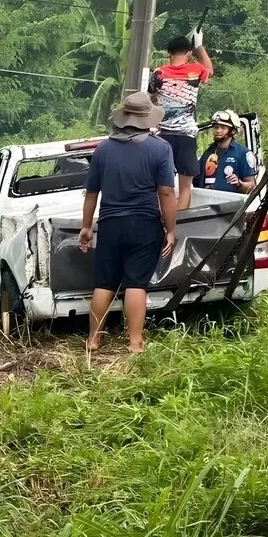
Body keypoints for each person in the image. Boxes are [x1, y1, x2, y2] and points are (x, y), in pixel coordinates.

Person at [78, 92, 177, 354]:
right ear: (147, 119)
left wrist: (86, 227)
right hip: (144, 225)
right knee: (136, 284)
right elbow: (166, 192)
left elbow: (91, 194)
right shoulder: (160, 149)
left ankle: (93, 341)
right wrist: (171, 229)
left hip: (110, 224)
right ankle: (135, 344)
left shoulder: (103, 149)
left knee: (105, 283)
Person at [148, 29, 213, 211]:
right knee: (185, 188)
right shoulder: (196, 69)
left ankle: (161, 221)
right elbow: (210, 70)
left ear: (169, 53)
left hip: (162, 136)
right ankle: (177, 226)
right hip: (186, 136)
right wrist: (199, 46)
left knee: (162, 185)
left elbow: (151, 98)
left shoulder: (159, 73)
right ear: (189, 53)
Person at [196, 110, 258, 194]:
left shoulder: (243, 153)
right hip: (206, 201)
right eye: (216, 127)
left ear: (232, 131)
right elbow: (196, 178)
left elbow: (252, 187)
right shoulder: (208, 152)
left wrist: (239, 184)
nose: (218, 130)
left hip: (232, 204)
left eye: (223, 127)